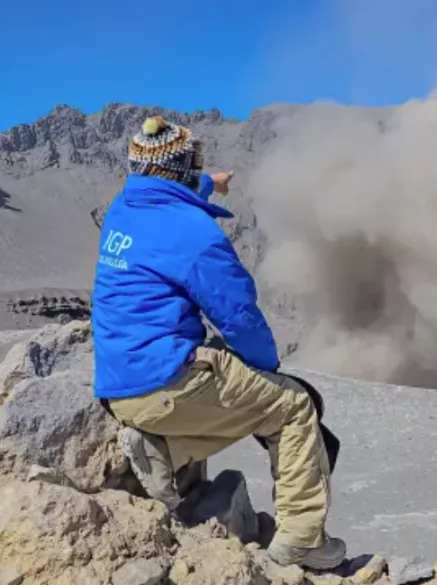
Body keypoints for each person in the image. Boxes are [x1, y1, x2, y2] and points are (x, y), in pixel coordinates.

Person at [91, 115, 345, 570]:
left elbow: (163, 193)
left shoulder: (123, 209)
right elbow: (239, 316)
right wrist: (267, 370)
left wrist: (209, 183)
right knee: (292, 406)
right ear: (183, 167)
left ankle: (164, 451)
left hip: (120, 385)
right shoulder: (195, 234)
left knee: (233, 386)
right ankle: (304, 538)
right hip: (166, 383)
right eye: (196, 165)